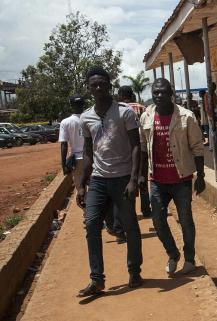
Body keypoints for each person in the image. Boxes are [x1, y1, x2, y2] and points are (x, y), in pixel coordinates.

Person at [77, 66, 143, 296]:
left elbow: (136, 146)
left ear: (109, 85)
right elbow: (87, 152)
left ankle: (134, 271)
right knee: (92, 224)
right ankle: (97, 279)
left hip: (123, 178)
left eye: (102, 83)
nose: (98, 88)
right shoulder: (85, 117)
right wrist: (80, 184)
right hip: (98, 179)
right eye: (93, 84)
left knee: (129, 225)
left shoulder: (125, 113)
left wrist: (134, 179)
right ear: (88, 88)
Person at [139, 78, 205, 276]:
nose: (159, 96)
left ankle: (190, 259)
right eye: (155, 92)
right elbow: (143, 148)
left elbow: (198, 148)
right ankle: (173, 254)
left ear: (171, 94)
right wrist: (142, 176)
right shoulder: (146, 116)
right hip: (157, 180)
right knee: (158, 221)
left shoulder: (186, 117)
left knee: (186, 220)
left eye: (163, 92)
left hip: (182, 179)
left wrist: (200, 176)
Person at [118, 85, 152, 218]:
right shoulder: (143, 108)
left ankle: (129, 210)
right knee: (142, 177)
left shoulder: (118, 110)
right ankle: (145, 208)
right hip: (141, 149)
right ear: (132, 95)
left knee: (127, 180)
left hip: (125, 151)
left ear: (120, 96)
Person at [59, 94, 85, 192]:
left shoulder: (65, 122)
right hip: (92, 158)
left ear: (71, 105)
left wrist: (64, 165)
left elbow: (64, 144)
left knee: (80, 188)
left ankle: (86, 207)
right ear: (83, 104)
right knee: (95, 187)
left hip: (77, 160)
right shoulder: (91, 119)